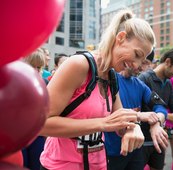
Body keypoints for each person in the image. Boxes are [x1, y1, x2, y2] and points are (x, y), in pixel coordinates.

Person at [39, 9, 156, 170]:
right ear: (120, 38)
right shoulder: (79, 65)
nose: (136, 65)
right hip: (61, 164)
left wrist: (133, 128)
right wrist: (102, 123)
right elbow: (41, 123)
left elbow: (120, 122)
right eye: (137, 54)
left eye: (142, 60)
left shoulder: (112, 77)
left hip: (99, 163)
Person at [105, 64, 169, 170]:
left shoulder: (140, 85)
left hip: (136, 150)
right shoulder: (111, 79)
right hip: (112, 150)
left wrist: (157, 123)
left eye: (146, 63)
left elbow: (160, 106)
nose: (144, 67)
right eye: (141, 61)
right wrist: (138, 116)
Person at [138, 48, 173, 170]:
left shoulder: (168, 83)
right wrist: (170, 116)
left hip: (160, 136)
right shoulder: (144, 78)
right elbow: (140, 109)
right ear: (167, 62)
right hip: (142, 138)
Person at [22, 48, 48, 170]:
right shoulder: (14, 82)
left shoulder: (44, 84)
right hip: (17, 136)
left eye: (39, 67)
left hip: (38, 134)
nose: (37, 70)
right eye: (33, 66)